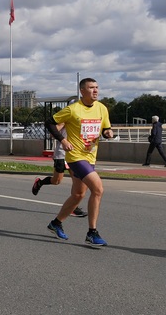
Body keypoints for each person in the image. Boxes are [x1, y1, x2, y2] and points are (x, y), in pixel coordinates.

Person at [45, 77, 113, 248]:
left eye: (97, 87)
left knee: (78, 195)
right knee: (98, 189)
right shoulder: (73, 109)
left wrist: (108, 132)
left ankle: (56, 223)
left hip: (90, 157)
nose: (95, 90)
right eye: (91, 88)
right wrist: (63, 140)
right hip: (75, 157)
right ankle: (92, 232)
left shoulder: (102, 108)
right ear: (82, 91)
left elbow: (105, 127)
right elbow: (50, 123)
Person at [32, 125, 88, 217]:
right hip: (61, 154)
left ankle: (74, 208)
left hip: (75, 154)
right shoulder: (63, 119)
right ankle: (39, 182)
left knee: (77, 181)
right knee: (57, 180)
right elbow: (52, 134)